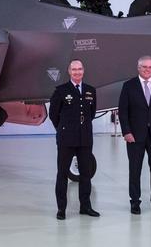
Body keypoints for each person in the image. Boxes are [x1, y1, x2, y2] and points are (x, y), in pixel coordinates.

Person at [118, 55, 151, 215]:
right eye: (144, 67)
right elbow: (123, 112)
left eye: (150, 67)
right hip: (135, 136)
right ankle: (135, 202)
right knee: (135, 169)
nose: (147, 70)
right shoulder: (128, 86)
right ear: (138, 67)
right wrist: (126, 132)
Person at [49, 59, 100, 220]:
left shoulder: (91, 90)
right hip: (66, 139)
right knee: (62, 174)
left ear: (83, 71)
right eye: (74, 69)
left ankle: (85, 206)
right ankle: (61, 209)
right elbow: (53, 115)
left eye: (79, 69)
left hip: (85, 138)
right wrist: (64, 129)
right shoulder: (61, 90)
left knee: (86, 174)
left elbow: (91, 114)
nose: (77, 72)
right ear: (69, 72)